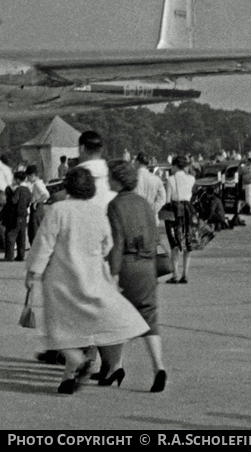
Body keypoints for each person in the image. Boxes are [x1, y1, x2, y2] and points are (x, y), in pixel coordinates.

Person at [25, 166, 149, 394]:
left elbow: (44, 245)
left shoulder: (58, 210)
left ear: (68, 186)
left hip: (61, 279)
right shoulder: (96, 212)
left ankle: (79, 364)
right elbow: (107, 245)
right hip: (91, 278)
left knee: (60, 332)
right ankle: (67, 378)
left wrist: (33, 273)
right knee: (84, 329)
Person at [105, 160, 168, 392]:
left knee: (117, 318)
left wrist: (112, 274)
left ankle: (116, 366)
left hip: (127, 265)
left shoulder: (115, 205)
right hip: (147, 265)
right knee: (149, 318)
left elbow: (117, 243)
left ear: (118, 180)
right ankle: (158, 367)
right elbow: (154, 235)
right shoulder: (144, 204)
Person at [163, 155, 197, 284]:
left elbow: (167, 199)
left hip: (174, 210)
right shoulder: (192, 179)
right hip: (188, 210)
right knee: (188, 243)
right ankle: (185, 275)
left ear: (176, 166)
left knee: (174, 244)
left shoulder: (170, 179)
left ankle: (175, 275)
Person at [1, 170, 32, 261]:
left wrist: (9, 197)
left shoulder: (18, 189)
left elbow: (14, 200)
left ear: (18, 180)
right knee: (21, 237)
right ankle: (21, 255)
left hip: (16, 215)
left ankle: (9, 256)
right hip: (24, 214)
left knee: (10, 234)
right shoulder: (27, 189)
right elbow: (29, 200)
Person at [26, 165, 50, 243]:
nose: (28, 179)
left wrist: (37, 201)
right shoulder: (39, 183)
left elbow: (46, 194)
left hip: (37, 208)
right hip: (39, 208)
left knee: (34, 230)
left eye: (28, 177)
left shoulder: (37, 184)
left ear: (32, 175)